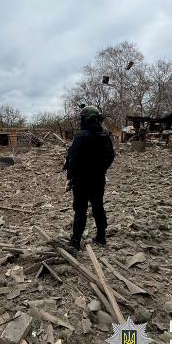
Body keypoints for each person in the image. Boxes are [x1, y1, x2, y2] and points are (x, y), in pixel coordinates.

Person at [63, 106, 115, 250]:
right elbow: (111, 156)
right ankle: (101, 237)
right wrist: (102, 169)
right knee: (98, 206)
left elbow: (73, 159)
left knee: (80, 210)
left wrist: (70, 177)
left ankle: (75, 241)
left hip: (81, 180)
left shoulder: (81, 135)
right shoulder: (105, 135)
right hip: (98, 179)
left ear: (85, 118)